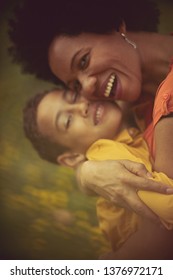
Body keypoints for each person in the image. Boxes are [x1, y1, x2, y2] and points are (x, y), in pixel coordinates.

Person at [8, 0, 173, 221]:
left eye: (84, 61)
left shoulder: (163, 109)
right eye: (75, 86)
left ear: (117, 25)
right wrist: (87, 173)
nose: (87, 88)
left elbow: (163, 225)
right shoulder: (133, 107)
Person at [23, 85, 173, 258]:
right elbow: (168, 205)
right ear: (72, 158)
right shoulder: (107, 154)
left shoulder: (132, 119)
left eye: (73, 97)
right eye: (68, 121)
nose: (82, 106)